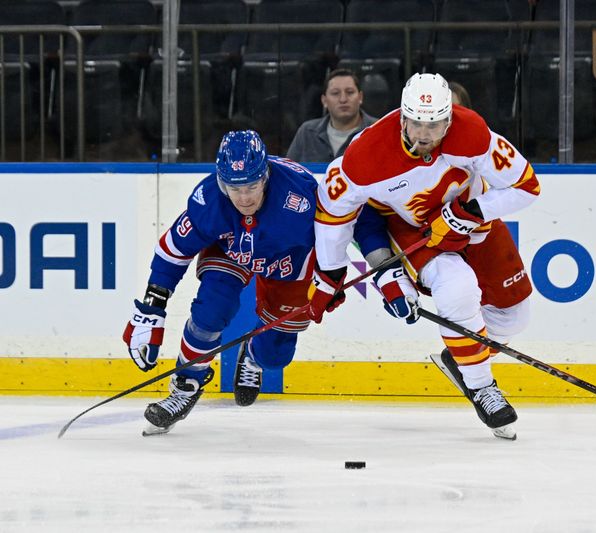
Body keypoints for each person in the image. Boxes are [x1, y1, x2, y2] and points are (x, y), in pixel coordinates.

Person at [307, 73, 541, 440]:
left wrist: (473, 211)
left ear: (450, 117)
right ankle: (481, 386)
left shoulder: (473, 133)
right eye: (416, 122)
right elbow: (336, 215)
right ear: (402, 116)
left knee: (515, 316)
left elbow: (527, 187)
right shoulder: (366, 153)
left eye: (435, 124)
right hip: (414, 229)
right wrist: (330, 272)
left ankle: (461, 357)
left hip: (473, 221)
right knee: (456, 289)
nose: (425, 133)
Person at [123, 130, 319, 435]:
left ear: (266, 175)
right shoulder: (209, 200)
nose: (244, 198)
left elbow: (339, 234)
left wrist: (332, 278)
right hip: (231, 250)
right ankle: (186, 386)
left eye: (252, 186)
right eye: (234, 188)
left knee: (276, 355)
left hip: (288, 258)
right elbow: (172, 251)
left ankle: (253, 356)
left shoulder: (301, 196)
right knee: (211, 310)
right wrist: (152, 308)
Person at [286, 68, 378, 163]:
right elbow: (289, 172)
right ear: (324, 101)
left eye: (350, 92)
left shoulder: (379, 130)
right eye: (335, 93)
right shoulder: (307, 132)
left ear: (360, 97)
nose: (343, 99)